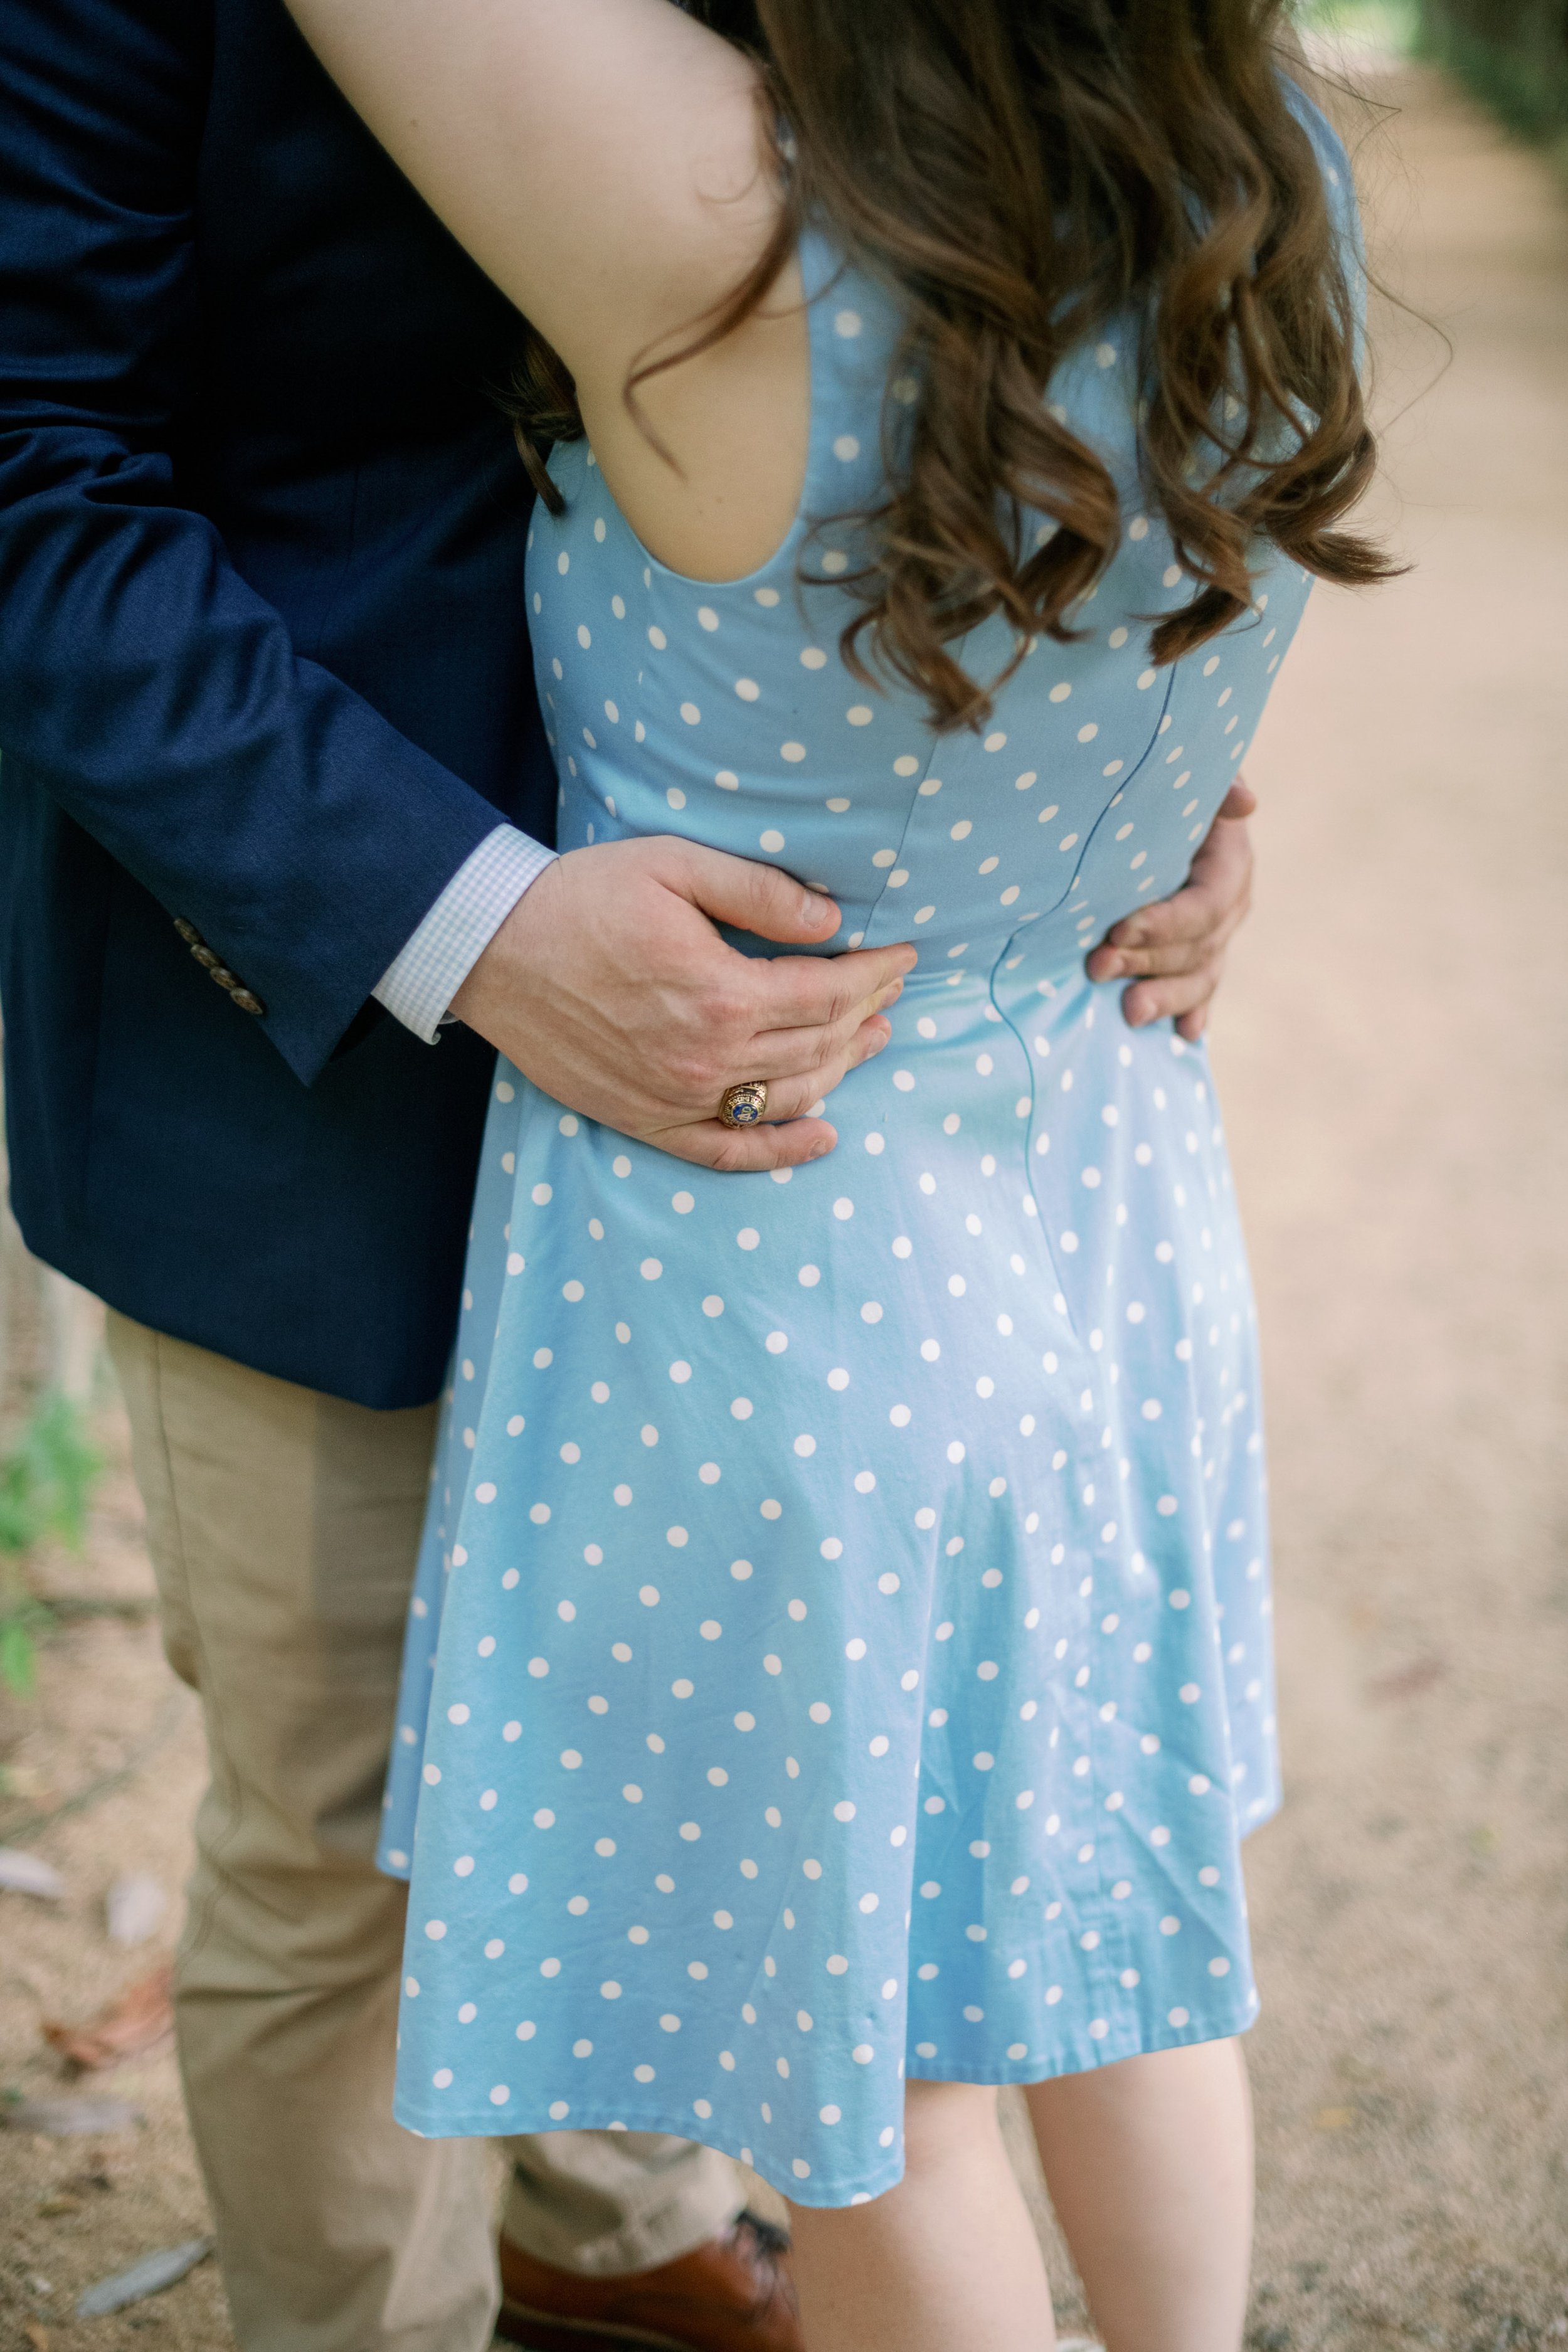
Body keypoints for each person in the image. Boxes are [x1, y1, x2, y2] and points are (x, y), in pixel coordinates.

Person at [0, 3, 1263, 2349]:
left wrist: (1119, 773)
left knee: (729, 1772)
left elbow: (1015, 251)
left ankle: (608, 2221)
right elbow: (24, 465)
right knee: (346, 1828)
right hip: (316, 1004)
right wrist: (457, 922)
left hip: (825, 1033)